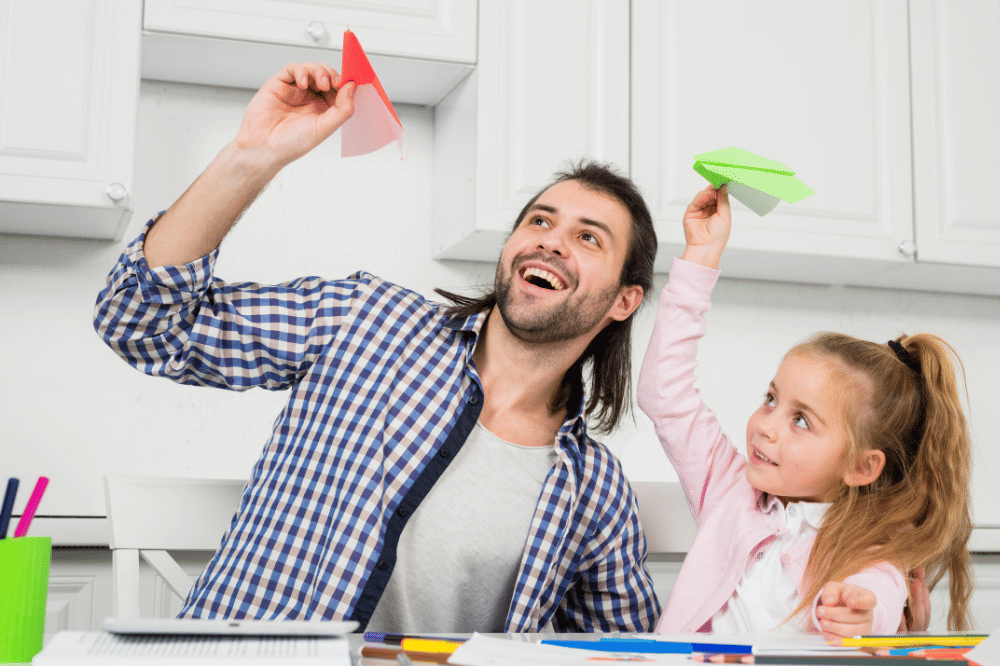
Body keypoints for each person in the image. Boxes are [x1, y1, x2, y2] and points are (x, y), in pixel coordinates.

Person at [93, 62, 660, 632]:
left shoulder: (595, 490)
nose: (551, 241)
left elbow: (625, 651)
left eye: (588, 237)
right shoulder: (366, 320)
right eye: (540, 220)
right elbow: (138, 323)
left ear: (624, 300)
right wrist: (252, 155)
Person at [637, 184, 971, 638]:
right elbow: (664, 394)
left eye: (801, 420)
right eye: (771, 399)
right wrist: (701, 256)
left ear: (861, 465)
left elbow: (880, 591)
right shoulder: (729, 491)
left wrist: (865, 612)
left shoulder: (870, 542)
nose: (765, 427)